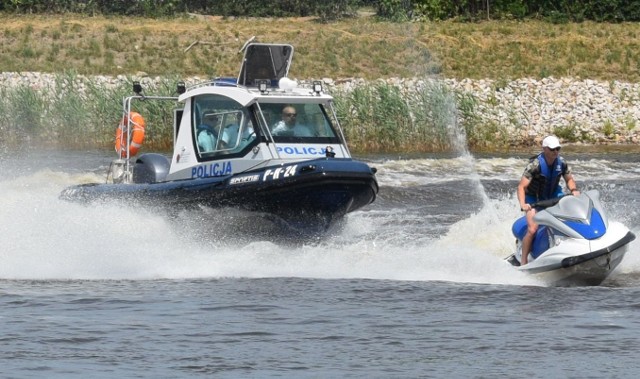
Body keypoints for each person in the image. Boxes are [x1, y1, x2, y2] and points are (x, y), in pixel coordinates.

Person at [517, 135, 580, 265]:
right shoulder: (534, 165)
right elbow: (521, 187)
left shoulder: (561, 162)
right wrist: (523, 204)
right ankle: (523, 262)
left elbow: (569, 179)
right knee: (533, 229)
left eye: (558, 149)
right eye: (552, 149)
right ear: (544, 149)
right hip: (534, 198)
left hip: (553, 195)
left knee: (570, 219)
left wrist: (574, 190)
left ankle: (575, 248)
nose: (555, 152)